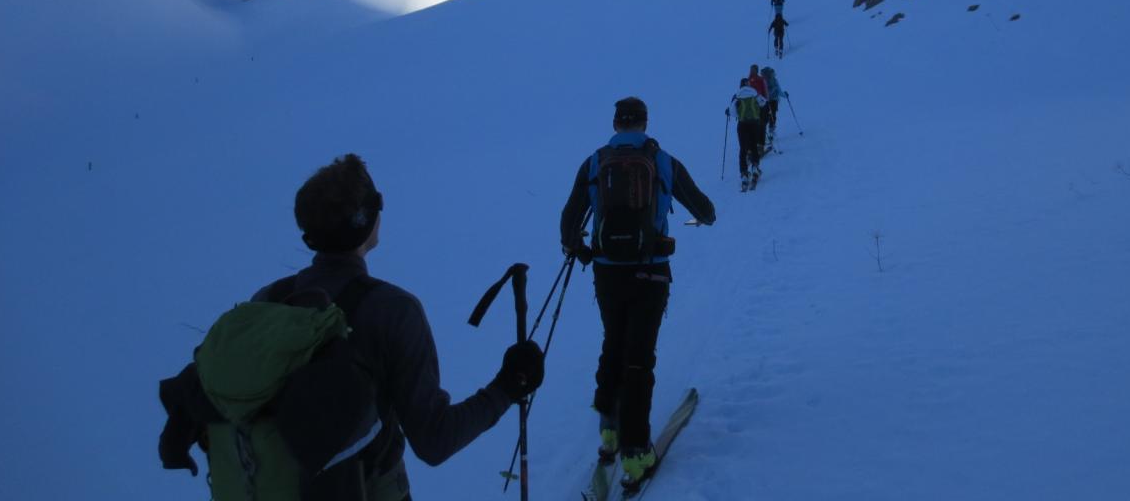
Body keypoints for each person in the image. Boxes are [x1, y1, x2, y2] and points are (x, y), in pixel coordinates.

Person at [159, 154, 544, 500]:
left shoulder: (269, 301)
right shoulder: (394, 311)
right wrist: (507, 388)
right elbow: (435, 440)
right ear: (368, 221)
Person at [559, 97, 715, 491]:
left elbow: (569, 221)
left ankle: (610, 432)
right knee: (639, 357)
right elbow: (702, 206)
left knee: (613, 341)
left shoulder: (595, 161)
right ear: (644, 122)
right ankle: (635, 451)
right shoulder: (661, 160)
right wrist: (705, 216)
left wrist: (579, 248)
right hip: (650, 270)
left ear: (615, 123)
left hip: (606, 272)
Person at [729, 78, 766, 190]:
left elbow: (733, 112)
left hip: (742, 124)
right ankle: (755, 168)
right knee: (754, 146)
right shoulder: (754, 93)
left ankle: (744, 174)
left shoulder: (737, 96)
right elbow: (763, 103)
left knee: (743, 149)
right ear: (749, 85)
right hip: (754, 123)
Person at [761, 66, 784, 140]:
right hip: (773, 101)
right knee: (772, 115)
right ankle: (771, 131)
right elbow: (779, 91)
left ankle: (765, 132)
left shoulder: (763, 80)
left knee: (766, 116)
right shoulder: (774, 80)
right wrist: (784, 95)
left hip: (765, 101)